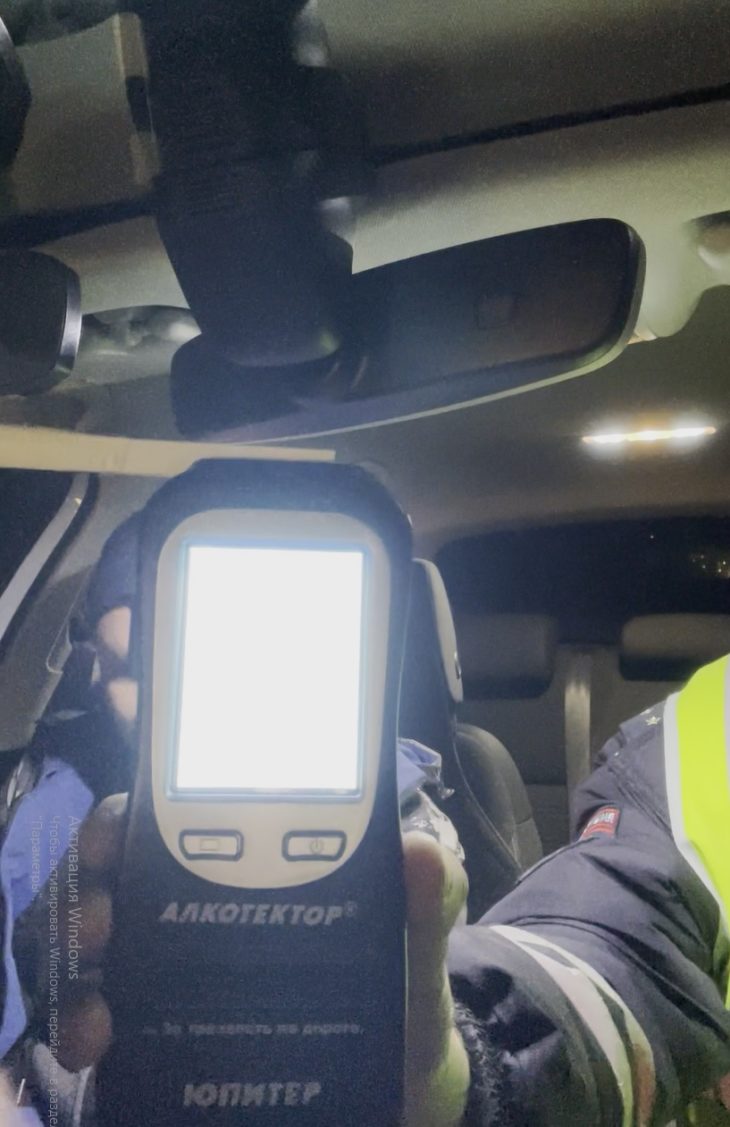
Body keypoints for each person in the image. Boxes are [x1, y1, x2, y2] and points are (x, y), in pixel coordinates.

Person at [2, 513, 730, 1125]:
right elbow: (623, 955)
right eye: (127, 671)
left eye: (180, 666)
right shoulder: (43, 817)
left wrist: (459, 1060)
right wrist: (473, 1070)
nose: (154, 702)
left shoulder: (393, 816)